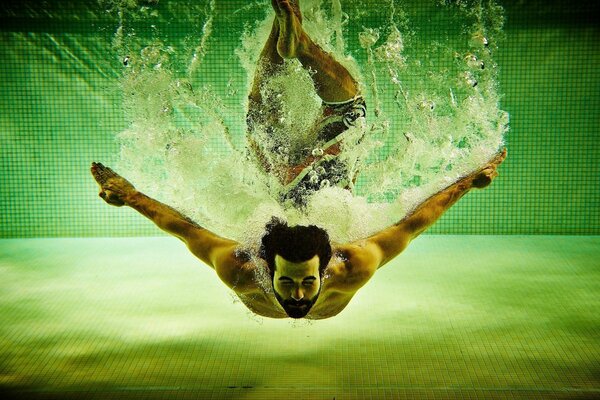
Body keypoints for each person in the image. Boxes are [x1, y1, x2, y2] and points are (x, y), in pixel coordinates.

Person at [91, 0, 506, 319]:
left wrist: (130, 196)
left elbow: (182, 227)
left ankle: (289, 29)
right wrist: (467, 181)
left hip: (285, 178)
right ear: (268, 267)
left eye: (303, 281)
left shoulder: (240, 270)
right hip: (320, 181)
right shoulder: (352, 267)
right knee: (342, 110)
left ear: (323, 268)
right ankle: (298, 41)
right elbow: (414, 223)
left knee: (281, 111)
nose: (298, 293)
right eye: (291, 281)